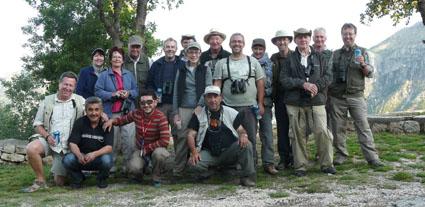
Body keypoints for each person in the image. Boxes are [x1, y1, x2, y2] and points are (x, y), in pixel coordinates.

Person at [281, 28, 335, 177]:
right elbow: (284, 80)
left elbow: (328, 76)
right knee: (297, 135)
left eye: (305, 37)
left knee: (322, 131)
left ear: (309, 39)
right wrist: (302, 84)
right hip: (295, 103)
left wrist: (317, 86)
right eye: (299, 38)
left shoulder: (320, 57)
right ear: (295, 40)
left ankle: (327, 164)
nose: (303, 40)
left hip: (316, 101)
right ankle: (300, 166)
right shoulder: (289, 59)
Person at [328, 23, 383, 167]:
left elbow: (370, 73)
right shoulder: (335, 54)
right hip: (337, 97)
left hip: (356, 96)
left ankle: (372, 157)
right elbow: (329, 74)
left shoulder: (362, 52)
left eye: (350, 34)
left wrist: (363, 64)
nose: (347, 37)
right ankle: (341, 155)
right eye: (345, 34)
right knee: (338, 129)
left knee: (363, 127)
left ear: (355, 35)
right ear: (341, 35)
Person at [22, 72, 85, 192]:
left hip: (67, 146)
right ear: (59, 84)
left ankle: (61, 172)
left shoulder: (80, 100)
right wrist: (46, 136)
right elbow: (37, 124)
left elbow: (93, 111)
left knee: (59, 182)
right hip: (49, 139)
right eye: (65, 84)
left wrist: (103, 116)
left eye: (71, 86)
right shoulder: (47, 100)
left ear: (74, 87)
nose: (67, 88)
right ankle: (40, 180)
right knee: (32, 148)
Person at [187, 86, 256, 187]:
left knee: (247, 144)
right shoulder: (198, 115)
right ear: (205, 99)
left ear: (221, 98)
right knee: (192, 163)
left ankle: (248, 177)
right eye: (209, 97)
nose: (212, 100)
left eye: (215, 97)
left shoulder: (231, 112)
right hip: (209, 153)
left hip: (228, 151)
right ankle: (211, 174)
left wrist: (243, 135)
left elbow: (241, 129)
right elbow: (190, 135)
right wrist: (193, 151)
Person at [213, 33, 265, 165]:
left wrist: (260, 103)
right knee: (231, 137)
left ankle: (251, 165)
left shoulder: (253, 62)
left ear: (243, 44)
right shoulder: (222, 63)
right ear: (229, 44)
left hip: (249, 107)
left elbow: (260, 83)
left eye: (239, 42)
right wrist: (216, 102)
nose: (237, 44)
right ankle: (234, 165)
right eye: (234, 41)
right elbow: (217, 84)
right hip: (228, 107)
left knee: (251, 136)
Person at [103, 90, 170, 187]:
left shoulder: (161, 117)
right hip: (140, 149)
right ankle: (139, 175)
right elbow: (122, 120)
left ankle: (156, 177)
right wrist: (111, 121)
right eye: (143, 103)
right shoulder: (136, 113)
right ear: (139, 104)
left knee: (160, 154)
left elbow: (165, 140)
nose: (146, 105)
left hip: (155, 149)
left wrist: (147, 149)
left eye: (149, 102)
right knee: (133, 168)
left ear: (155, 102)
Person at [95, 46, 138, 175]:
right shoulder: (104, 75)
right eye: (114, 57)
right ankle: (111, 167)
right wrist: (113, 94)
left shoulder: (128, 74)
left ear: (123, 60)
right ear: (110, 60)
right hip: (111, 113)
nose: (117, 59)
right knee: (112, 141)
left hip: (127, 113)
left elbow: (136, 91)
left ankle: (127, 167)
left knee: (128, 141)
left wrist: (128, 93)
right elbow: (97, 91)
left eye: (119, 57)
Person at [172, 42, 212, 176]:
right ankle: (178, 170)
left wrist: (200, 105)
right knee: (183, 138)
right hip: (184, 108)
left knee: (200, 137)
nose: (193, 55)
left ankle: (198, 168)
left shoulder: (205, 70)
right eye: (191, 52)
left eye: (196, 52)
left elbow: (209, 90)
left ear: (200, 54)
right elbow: (176, 92)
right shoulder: (181, 70)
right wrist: (176, 112)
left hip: (201, 108)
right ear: (186, 54)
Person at [62, 97, 113, 189]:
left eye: (97, 110)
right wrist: (79, 155)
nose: (93, 113)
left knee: (107, 160)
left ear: (101, 111)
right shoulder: (80, 122)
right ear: (86, 111)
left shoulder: (107, 124)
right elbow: (72, 143)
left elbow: (109, 147)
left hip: (98, 158)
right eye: (90, 110)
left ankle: (101, 179)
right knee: (68, 159)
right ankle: (78, 178)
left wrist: (94, 154)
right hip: (82, 158)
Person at [250, 38, 278, 175]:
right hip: (250, 103)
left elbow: (273, 83)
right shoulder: (247, 63)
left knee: (267, 134)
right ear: (252, 49)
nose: (258, 51)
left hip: (266, 103)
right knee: (251, 134)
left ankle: (269, 162)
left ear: (264, 49)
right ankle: (252, 162)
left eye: (261, 49)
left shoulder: (271, 64)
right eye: (256, 49)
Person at [146, 38, 185, 126]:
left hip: (176, 105)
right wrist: (153, 96)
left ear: (176, 49)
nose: (170, 49)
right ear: (163, 49)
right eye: (167, 47)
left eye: (172, 47)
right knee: (158, 132)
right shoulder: (156, 64)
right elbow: (149, 83)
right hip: (160, 105)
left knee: (177, 133)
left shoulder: (182, 65)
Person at [270, 30, 294, 170]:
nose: (281, 42)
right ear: (275, 43)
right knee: (282, 128)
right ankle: (284, 158)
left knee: (297, 129)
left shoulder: (295, 55)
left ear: (288, 41)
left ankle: (295, 156)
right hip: (279, 97)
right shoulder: (273, 58)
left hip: (294, 97)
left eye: (284, 39)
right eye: (279, 40)